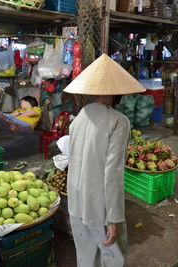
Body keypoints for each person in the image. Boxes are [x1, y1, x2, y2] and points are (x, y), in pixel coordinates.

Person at [63, 54, 145, 267]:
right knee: (112, 258)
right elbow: (113, 174)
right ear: (115, 92)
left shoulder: (82, 114)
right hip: (100, 208)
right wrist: (115, 219)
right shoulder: (119, 121)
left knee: (86, 257)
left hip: (76, 202)